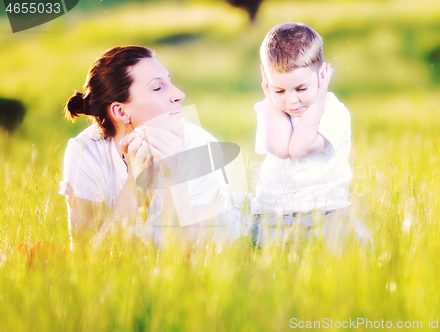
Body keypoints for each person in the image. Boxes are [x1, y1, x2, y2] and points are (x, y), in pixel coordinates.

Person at [59, 46, 244, 251]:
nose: (179, 95)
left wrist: (173, 174)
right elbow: (86, 257)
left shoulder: (199, 144)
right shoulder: (87, 150)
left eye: (170, 82)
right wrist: (136, 182)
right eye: (158, 88)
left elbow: (193, 258)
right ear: (120, 111)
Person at [251, 23, 372, 249]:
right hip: (274, 213)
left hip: (326, 211)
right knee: (260, 243)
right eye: (279, 90)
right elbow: (280, 148)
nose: (291, 100)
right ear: (267, 82)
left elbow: (300, 148)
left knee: (350, 245)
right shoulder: (269, 109)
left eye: (301, 88)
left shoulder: (333, 112)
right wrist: (272, 98)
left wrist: (318, 99)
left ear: (321, 75)